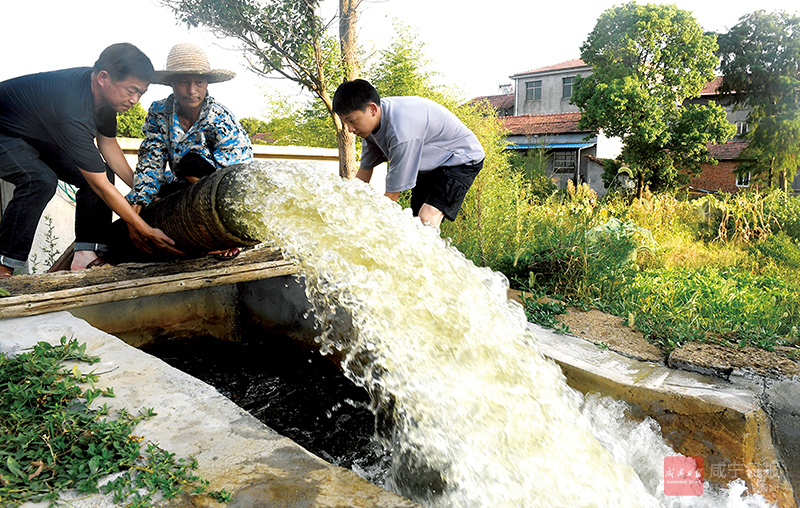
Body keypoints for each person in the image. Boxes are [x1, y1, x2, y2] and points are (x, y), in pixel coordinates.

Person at [0, 43, 181, 278]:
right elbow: (99, 186)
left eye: (141, 93)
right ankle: (4, 265)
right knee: (39, 179)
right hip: (5, 132)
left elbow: (108, 146)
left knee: (103, 172)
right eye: (131, 90)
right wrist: (143, 228)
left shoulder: (105, 103)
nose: (135, 100)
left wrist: (145, 190)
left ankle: (86, 255)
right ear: (104, 78)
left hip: (31, 137)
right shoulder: (72, 106)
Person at [122, 43, 253, 260]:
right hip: (179, 188)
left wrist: (231, 231)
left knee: (191, 162)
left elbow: (238, 177)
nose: (192, 91)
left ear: (207, 84)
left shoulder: (220, 118)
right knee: (139, 206)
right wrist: (133, 220)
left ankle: (228, 239)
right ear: (172, 83)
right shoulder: (158, 112)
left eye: (199, 82)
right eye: (184, 82)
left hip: (217, 192)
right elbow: (150, 164)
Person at [332, 79, 485, 229]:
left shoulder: (401, 132)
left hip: (461, 157)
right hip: (431, 164)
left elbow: (391, 198)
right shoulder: (369, 128)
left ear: (372, 109)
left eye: (352, 121)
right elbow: (363, 176)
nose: (350, 129)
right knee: (415, 223)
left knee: (426, 219)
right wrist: (345, 208)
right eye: (346, 123)